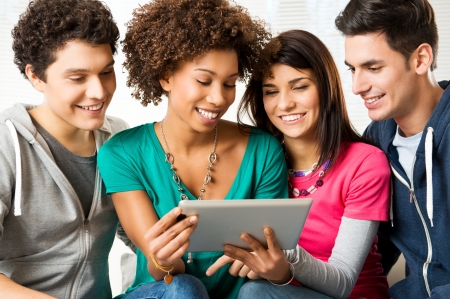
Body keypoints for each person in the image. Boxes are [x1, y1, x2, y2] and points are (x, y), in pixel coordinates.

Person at [96, 0, 286, 298]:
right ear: (166, 76)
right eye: (203, 80)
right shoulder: (121, 154)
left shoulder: (263, 150)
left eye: (229, 83)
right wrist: (164, 258)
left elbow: (269, 263)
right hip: (163, 292)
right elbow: (162, 271)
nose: (218, 99)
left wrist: (270, 265)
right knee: (184, 288)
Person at [207, 29, 391, 299]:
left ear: (326, 88)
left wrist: (284, 256)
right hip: (278, 293)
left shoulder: (365, 163)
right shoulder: (262, 162)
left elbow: (343, 283)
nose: (285, 103)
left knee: (255, 293)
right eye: (271, 91)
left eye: (300, 87)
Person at [0, 0, 128, 298]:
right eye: (78, 78)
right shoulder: (6, 142)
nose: (99, 92)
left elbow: (142, 242)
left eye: (106, 72)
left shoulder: (118, 138)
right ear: (36, 76)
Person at [335, 0, 450, 298]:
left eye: (373, 68)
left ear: (421, 59)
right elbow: (373, 249)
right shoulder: (377, 140)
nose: (357, 86)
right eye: (353, 69)